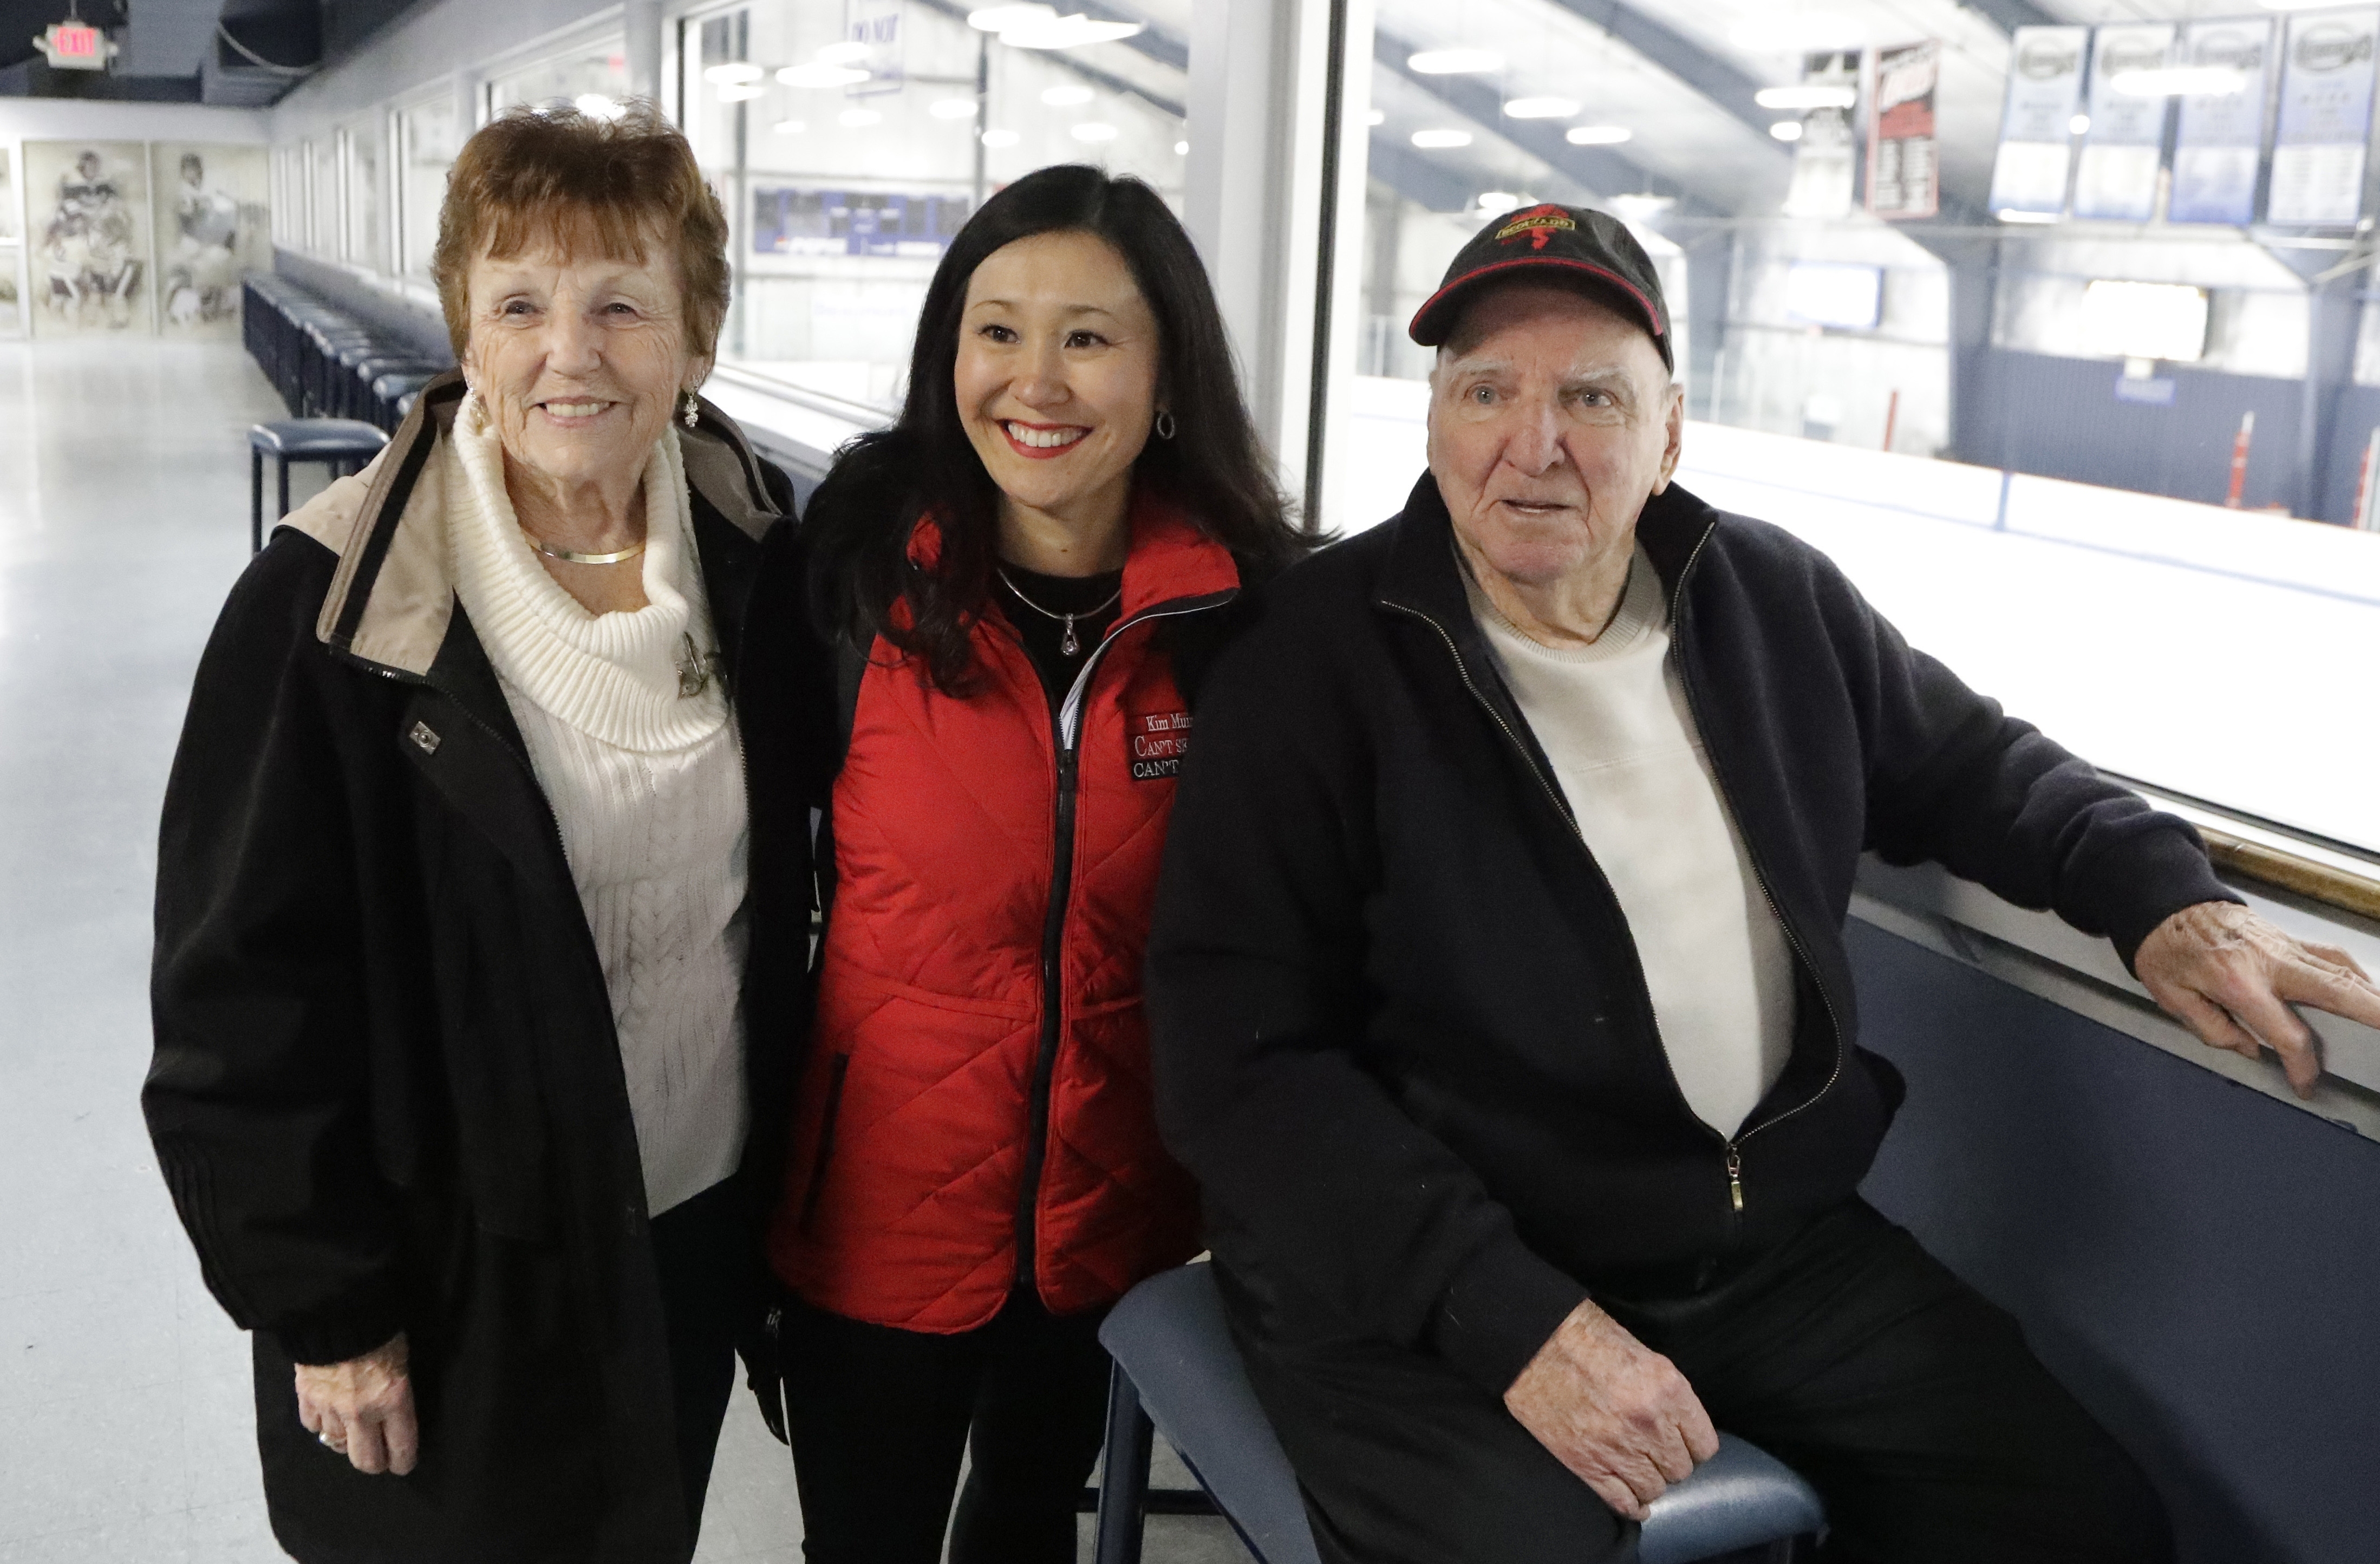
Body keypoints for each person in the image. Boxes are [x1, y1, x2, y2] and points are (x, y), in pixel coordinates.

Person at [1144, 203, 2380, 1564]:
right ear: (1433, 420)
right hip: (1422, 1271)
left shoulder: (1771, 605)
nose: (1531, 442)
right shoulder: (1312, 664)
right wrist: (1502, 1315)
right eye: (1484, 389)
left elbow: (1981, 771)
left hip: (1749, 1243)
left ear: (1669, 433)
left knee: (2071, 1518)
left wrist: (2159, 894)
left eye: (1589, 397)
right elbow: (1236, 1057)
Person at [144, 102, 807, 1563]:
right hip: (451, 1268)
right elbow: (236, 1005)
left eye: (623, 306)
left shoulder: (763, 567)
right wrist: (328, 1308)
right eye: (520, 304)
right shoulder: (327, 612)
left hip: (685, 1226)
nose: (571, 353)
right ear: (466, 336)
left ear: (696, 340)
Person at [764, 163, 1309, 1564]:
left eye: (1087, 336)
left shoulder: (1243, 619)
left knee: (1025, 1522)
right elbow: (750, 889)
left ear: (1167, 371)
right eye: (995, 329)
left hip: (1110, 1215)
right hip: (876, 1197)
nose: (1035, 381)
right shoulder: (859, 568)